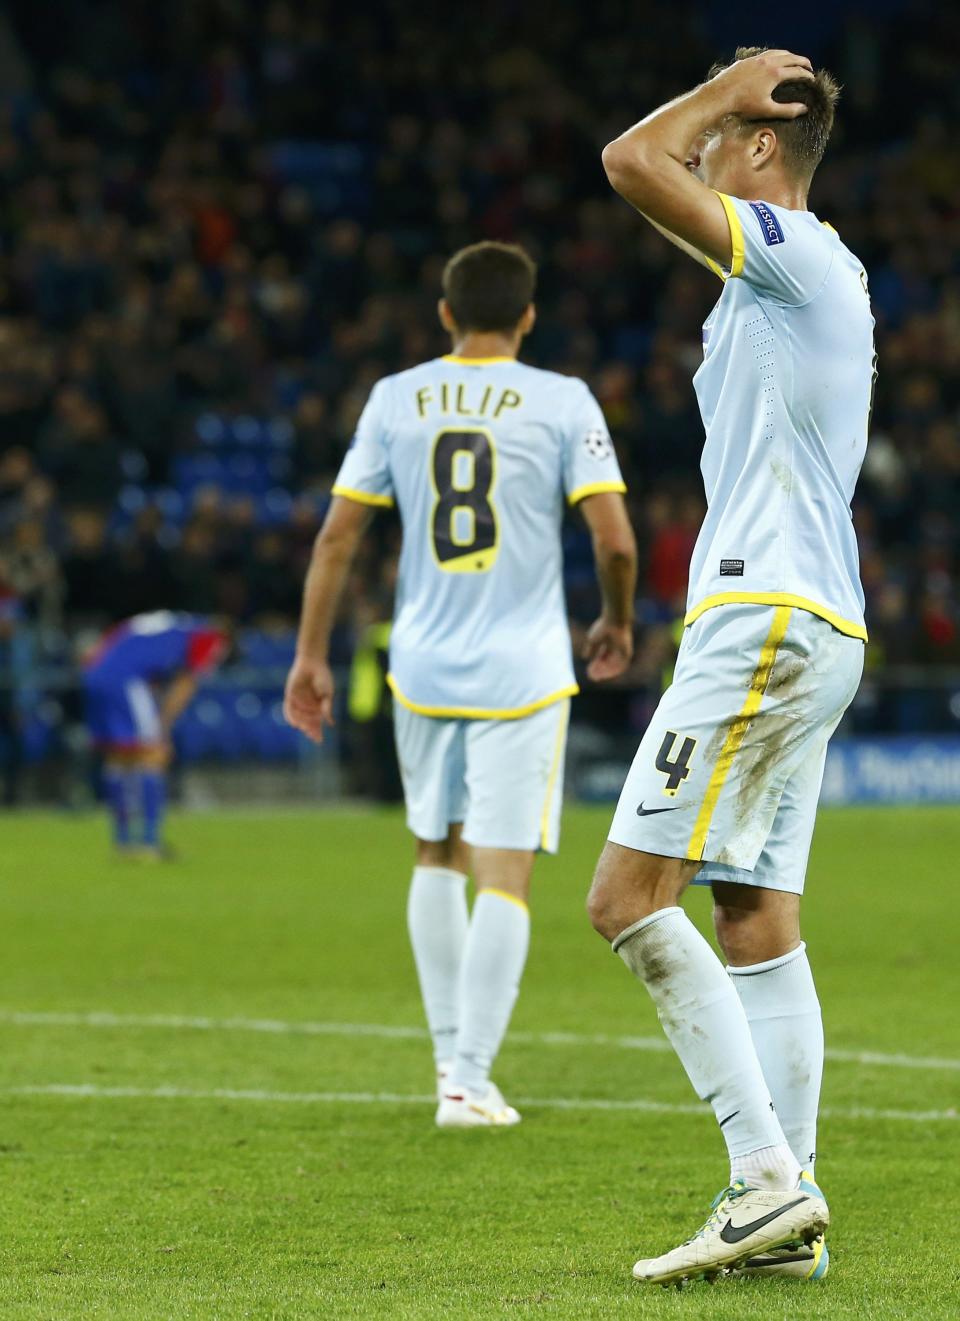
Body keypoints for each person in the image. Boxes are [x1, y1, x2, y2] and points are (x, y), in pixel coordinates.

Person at [590, 48, 874, 1284]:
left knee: (622, 897)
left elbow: (627, 161)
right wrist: (731, 98)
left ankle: (764, 1178)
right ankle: (785, 1214)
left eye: (727, 136)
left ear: (763, 150)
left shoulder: (793, 250)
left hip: (762, 618)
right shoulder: (800, 276)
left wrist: (731, 86)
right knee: (754, 916)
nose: (703, 151)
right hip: (813, 618)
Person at [285, 241, 637, 1126]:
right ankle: (468, 1080)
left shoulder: (395, 398)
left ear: (445, 313)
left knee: (434, 850)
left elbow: (336, 540)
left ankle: (449, 1063)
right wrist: (618, 619)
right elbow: (617, 539)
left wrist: (310, 654)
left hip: (425, 662)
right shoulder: (562, 400)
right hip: (521, 668)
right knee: (505, 872)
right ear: (527, 316)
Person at [83, 611, 231, 858]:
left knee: (119, 758)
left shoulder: (166, 622)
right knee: (153, 754)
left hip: (96, 674)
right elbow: (186, 684)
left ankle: (123, 842)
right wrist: (162, 727)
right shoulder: (207, 636)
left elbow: (102, 645)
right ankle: (149, 842)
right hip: (126, 680)